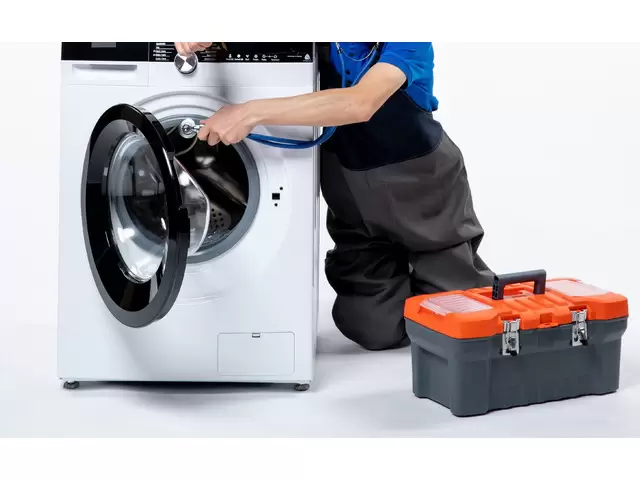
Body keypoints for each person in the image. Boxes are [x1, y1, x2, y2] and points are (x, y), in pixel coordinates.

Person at [174, 42, 494, 351]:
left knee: (466, 319)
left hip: (420, 191)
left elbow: (361, 103)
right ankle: (405, 278)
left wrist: (249, 113)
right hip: (354, 198)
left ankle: (435, 274)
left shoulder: (410, 41)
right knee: (370, 328)